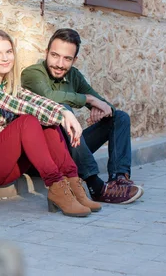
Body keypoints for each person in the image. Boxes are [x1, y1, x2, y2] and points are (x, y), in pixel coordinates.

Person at [0, 29, 102, 217]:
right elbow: (13, 104)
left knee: (46, 122)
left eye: (8, 52)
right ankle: (56, 186)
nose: (5, 58)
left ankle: (72, 183)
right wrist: (62, 116)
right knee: (28, 120)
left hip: (7, 169)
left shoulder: (10, 85)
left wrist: (62, 112)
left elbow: (35, 100)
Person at [21, 28, 143, 205]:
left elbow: (105, 107)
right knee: (63, 110)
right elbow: (50, 97)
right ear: (46, 53)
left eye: (67, 59)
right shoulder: (32, 74)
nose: (60, 64)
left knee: (120, 118)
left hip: (68, 149)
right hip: (41, 158)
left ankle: (119, 178)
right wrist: (88, 99)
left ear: (74, 60)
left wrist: (99, 104)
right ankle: (96, 186)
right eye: (55, 55)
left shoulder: (73, 76)